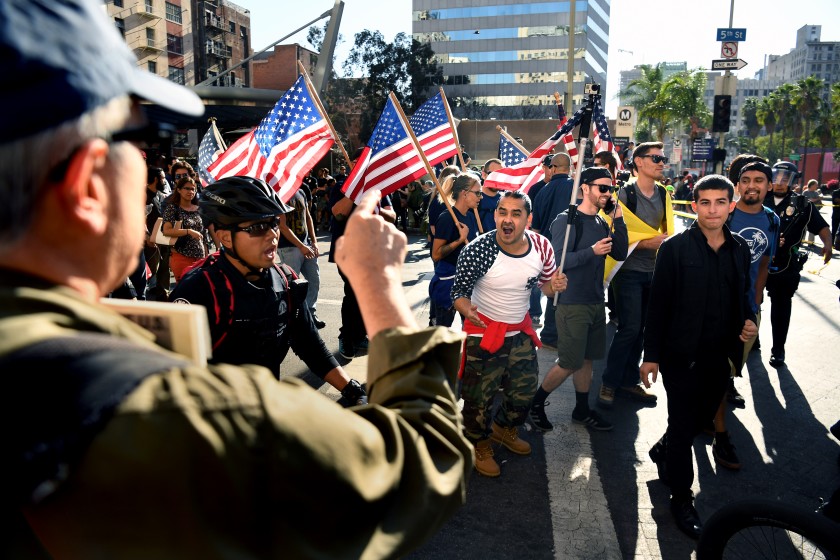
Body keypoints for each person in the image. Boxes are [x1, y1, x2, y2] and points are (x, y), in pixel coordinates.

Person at [0, 3, 472, 556]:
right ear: (86, 188)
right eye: (142, 140)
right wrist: (379, 285)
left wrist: (351, 387)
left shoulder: (275, 286)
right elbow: (423, 462)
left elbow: (303, 336)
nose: (271, 235)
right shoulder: (176, 398)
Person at [170, 176, 365, 402]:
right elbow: (172, 377)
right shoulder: (199, 290)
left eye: (274, 223)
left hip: (266, 410)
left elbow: (309, 343)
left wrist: (350, 388)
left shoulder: (286, 279)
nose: (273, 234)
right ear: (225, 237)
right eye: (258, 227)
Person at [641, 175, 758, 539]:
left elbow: (744, 294)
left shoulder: (739, 247)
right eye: (705, 203)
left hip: (720, 356)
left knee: (702, 419)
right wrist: (651, 356)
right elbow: (657, 305)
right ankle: (681, 496)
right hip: (681, 356)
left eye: (720, 202)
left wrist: (750, 318)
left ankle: (664, 449)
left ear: (731, 205)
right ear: (694, 207)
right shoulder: (675, 248)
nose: (712, 210)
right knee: (683, 426)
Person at [452, 191, 568, 477]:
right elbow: (458, 292)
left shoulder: (542, 246)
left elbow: (546, 287)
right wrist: (467, 310)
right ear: (495, 215)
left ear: (528, 219)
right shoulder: (478, 250)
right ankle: (477, 443)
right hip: (484, 332)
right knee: (479, 398)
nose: (507, 218)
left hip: (520, 331)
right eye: (502, 211)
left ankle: (503, 429)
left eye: (516, 213)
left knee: (524, 392)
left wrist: (556, 286)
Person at [528, 167, 628, 433]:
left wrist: (619, 219)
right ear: (585, 188)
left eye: (611, 189)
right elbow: (558, 261)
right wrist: (591, 252)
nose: (608, 194)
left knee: (587, 360)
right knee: (570, 361)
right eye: (602, 188)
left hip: (596, 300)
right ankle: (535, 405)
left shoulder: (601, 221)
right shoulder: (566, 220)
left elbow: (619, 253)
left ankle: (581, 410)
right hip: (572, 303)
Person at [598, 142, 671, 409]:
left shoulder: (664, 194)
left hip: (655, 272)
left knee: (642, 329)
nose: (661, 162)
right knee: (629, 328)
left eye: (663, 158)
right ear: (638, 162)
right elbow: (612, 232)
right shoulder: (624, 194)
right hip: (626, 272)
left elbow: (668, 231)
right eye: (656, 158)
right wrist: (645, 244)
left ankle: (628, 381)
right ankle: (609, 382)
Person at [328, 150, 396, 360]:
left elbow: (392, 216)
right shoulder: (341, 186)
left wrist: (373, 204)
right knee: (354, 292)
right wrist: (354, 193)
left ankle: (359, 335)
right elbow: (338, 213)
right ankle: (346, 337)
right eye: (358, 162)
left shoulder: (379, 188)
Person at [764, 161, 833, 368]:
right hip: (756, 262)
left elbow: (821, 227)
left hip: (786, 265)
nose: (779, 182)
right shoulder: (758, 199)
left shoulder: (803, 204)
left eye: (785, 178)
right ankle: (752, 341)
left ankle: (778, 349)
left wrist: (828, 244)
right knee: (751, 305)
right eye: (776, 177)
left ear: (793, 180)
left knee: (781, 306)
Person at [530, 152, 575, 348]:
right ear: (570, 168)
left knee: (553, 290)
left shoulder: (542, 191)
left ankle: (550, 334)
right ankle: (555, 334)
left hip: (547, 249)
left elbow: (536, 229)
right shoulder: (576, 189)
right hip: (572, 246)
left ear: (554, 168)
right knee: (565, 290)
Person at [429, 173, 482, 328]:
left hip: (466, 282)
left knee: (470, 327)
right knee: (442, 330)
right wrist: (459, 240)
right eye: (477, 193)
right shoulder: (447, 217)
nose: (480, 197)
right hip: (448, 283)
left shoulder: (471, 216)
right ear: (465, 194)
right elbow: (436, 254)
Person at [277, 183, 325, 329]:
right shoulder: (280, 192)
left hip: (306, 245)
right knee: (293, 286)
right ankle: (292, 319)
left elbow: (308, 216)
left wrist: (314, 242)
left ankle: (310, 313)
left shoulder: (301, 190)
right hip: (289, 247)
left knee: (314, 280)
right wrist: (301, 246)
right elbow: (282, 226)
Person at [162, 176, 206, 282]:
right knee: (185, 291)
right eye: (187, 188)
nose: (190, 191)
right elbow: (166, 231)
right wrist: (188, 231)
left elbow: (203, 233)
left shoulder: (199, 209)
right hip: (181, 256)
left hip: (200, 256)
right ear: (179, 190)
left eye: (193, 189)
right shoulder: (173, 208)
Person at [144, 166, 171, 301]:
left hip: (163, 240)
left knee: (164, 272)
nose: (165, 181)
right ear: (155, 179)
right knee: (150, 276)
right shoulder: (142, 195)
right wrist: (147, 236)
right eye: (162, 178)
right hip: (148, 243)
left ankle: (164, 299)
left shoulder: (161, 196)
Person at [477, 158, 504, 232]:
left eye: (500, 175)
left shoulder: (505, 199)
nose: (496, 178)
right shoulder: (474, 198)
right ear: (483, 174)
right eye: (492, 174)